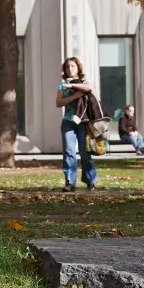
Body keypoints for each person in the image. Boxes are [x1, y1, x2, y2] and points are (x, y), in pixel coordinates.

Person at [56, 57, 98, 192]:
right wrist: (74, 96)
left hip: (83, 122)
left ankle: (90, 180)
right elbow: (59, 103)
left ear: (78, 68)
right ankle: (70, 182)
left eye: (72, 66)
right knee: (69, 151)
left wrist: (73, 85)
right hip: (68, 122)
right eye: (67, 67)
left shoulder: (84, 82)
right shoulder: (62, 85)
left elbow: (89, 88)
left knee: (84, 152)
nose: (70, 69)